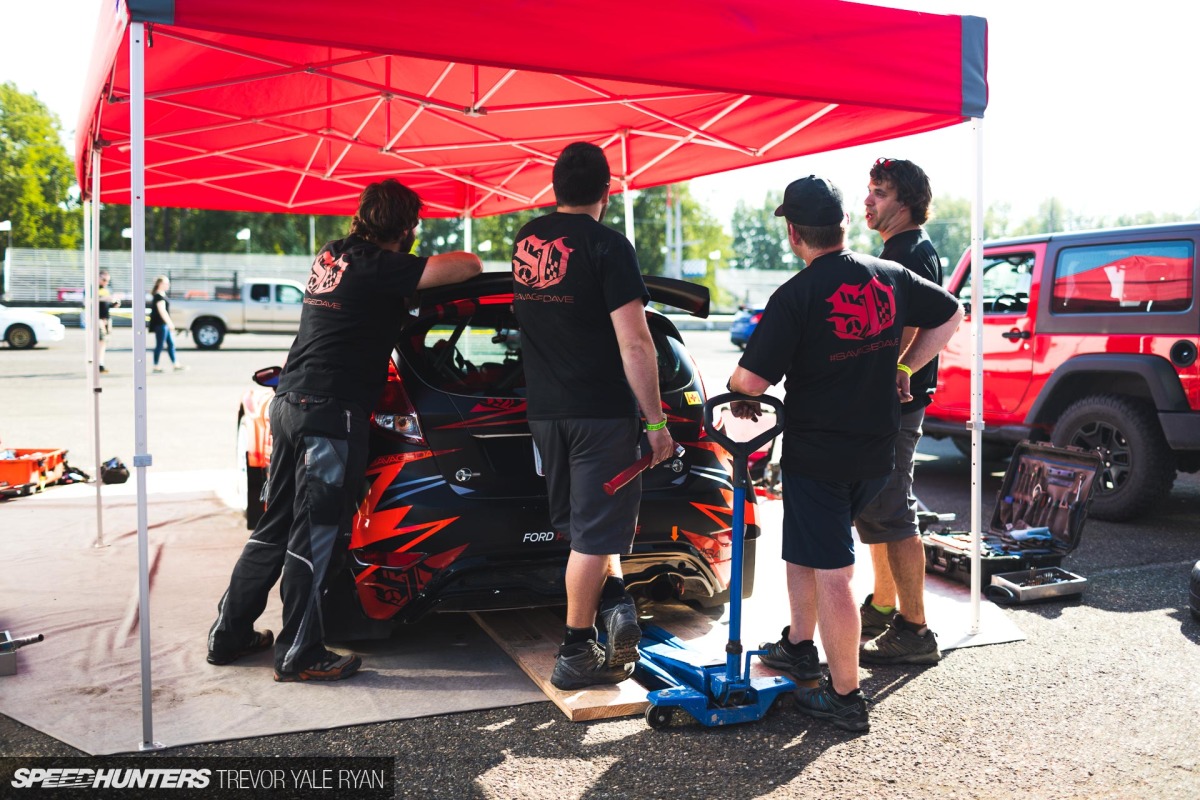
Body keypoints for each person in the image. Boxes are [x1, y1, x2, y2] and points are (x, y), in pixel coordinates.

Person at [207, 179, 482, 682]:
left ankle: (229, 636)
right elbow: (470, 267)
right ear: (405, 228)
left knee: (275, 528)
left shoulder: (332, 256)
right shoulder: (383, 268)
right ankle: (298, 653)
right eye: (414, 226)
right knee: (317, 537)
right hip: (331, 416)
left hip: (290, 403)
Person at [726, 175, 962, 732]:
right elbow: (950, 313)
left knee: (833, 572)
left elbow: (749, 381)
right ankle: (799, 645)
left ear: (793, 233)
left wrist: (739, 391)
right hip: (875, 449)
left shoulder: (796, 295)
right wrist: (904, 365)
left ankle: (845, 695)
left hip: (820, 454)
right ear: (843, 225)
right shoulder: (888, 274)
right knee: (805, 550)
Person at [511, 142, 676, 690]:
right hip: (600, 414)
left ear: (555, 188)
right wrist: (655, 423)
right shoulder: (610, 247)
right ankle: (575, 650)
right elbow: (636, 343)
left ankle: (614, 600)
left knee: (585, 528)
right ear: (608, 191)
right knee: (591, 537)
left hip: (546, 415)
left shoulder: (526, 239)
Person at [855, 157, 946, 666]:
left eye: (880, 192)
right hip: (894, 403)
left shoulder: (909, 252)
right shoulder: (903, 248)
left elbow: (919, 323)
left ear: (905, 202)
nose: (868, 200)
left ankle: (914, 629)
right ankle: (885, 603)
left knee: (893, 508)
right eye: (869, 190)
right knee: (880, 508)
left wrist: (899, 370)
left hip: (898, 407)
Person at [148, 275, 183, 372]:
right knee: (160, 345)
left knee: (171, 344)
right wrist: (170, 323)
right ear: (160, 284)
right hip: (161, 324)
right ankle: (156, 366)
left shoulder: (162, 294)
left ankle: (175, 364)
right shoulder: (159, 296)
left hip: (164, 325)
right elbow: (162, 311)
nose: (168, 285)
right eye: (166, 283)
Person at [97, 270, 118, 373]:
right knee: (100, 340)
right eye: (104, 280)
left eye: (107, 280)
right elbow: (87, 300)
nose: (106, 282)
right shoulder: (92, 288)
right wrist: (104, 298)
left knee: (104, 341)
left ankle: (100, 362)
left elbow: (106, 304)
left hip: (106, 318)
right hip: (97, 318)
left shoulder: (106, 290)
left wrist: (114, 304)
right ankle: (98, 363)